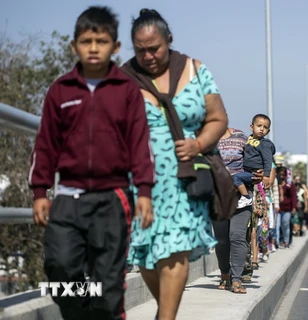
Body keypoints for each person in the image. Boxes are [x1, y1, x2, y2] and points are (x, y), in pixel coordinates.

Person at [29, 6, 155, 320]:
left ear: (115, 47)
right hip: (67, 198)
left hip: (112, 198)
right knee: (60, 270)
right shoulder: (61, 90)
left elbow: (140, 144)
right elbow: (46, 143)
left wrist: (144, 192)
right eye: (87, 41)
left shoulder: (126, 91)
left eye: (102, 41)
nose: (94, 48)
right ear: (75, 46)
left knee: (108, 286)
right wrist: (39, 191)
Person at [121, 9, 227, 320]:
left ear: (169, 40)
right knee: (146, 251)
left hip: (185, 179)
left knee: (176, 246)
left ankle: (165, 318)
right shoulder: (123, 78)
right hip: (139, 181)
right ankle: (164, 314)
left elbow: (219, 118)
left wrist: (198, 144)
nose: (148, 55)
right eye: (140, 50)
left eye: (154, 48)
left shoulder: (196, 70)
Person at [212, 127, 263, 294]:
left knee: (237, 236)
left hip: (241, 197)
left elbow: (255, 158)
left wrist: (261, 172)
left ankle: (237, 279)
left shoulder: (241, 137)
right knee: (221, 241)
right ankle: (225, 275)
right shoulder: (206, 139)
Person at [232, 114, 276, 208]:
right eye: (259, 126)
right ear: (252, 127)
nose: (262, 129)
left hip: (254, 173)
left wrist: (266, 176)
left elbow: (268, 160)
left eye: (265, 127)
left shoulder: (265, 144)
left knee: (236, 178)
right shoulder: (249, 139)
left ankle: (246, 198)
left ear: (268, 131)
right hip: (245, 170)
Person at [277, 167, 298, 248]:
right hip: (277, 208)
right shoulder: (276, 183)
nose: (282, 177)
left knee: (285, 224)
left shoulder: (289, 184)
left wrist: (294, 207)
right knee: (278, 225)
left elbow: (293, 196)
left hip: (287, 209)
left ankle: (286, 241)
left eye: (283, 175)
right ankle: (278, 242)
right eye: (280, 175)